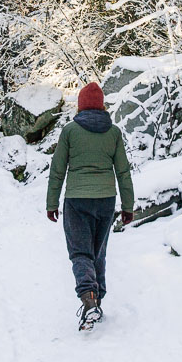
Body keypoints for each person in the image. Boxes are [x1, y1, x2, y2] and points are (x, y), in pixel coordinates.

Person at [46, 81, 135, 331]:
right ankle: (98, 301)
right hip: (106, 200)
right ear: (102, 106)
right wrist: (128, 205)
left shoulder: (70, 132)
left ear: (80, 106)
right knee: (98, 252)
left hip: (76, 200)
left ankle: (88, 299)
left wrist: (52, 202)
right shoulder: (114, 133)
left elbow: (57, 171)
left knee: (80, 252)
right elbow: (123, 172)